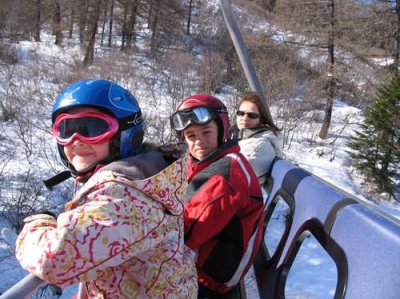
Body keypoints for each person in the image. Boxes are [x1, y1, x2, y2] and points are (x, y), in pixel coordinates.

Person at [15, 79, 198, 298]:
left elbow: (53, 260)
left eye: (92, 128)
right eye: (66, 129)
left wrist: (38, 223)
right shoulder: (147, 176)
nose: (77, 140)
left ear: (125, 135)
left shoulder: (124, 195)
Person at [169, 94, 264, 298]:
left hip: (209, 281)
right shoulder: (214, 161)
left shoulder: (224, 175)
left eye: (206, 132)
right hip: (208, 264)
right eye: (191, 136)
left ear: (222, 130)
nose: (199, 142)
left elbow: (184, 234)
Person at [230, 92, 283, 185]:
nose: (245, 118)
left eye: (252, 115)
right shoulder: (237, 137)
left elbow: (231, 175)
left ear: (261, 120)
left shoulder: (260, 146)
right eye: (241, 113)